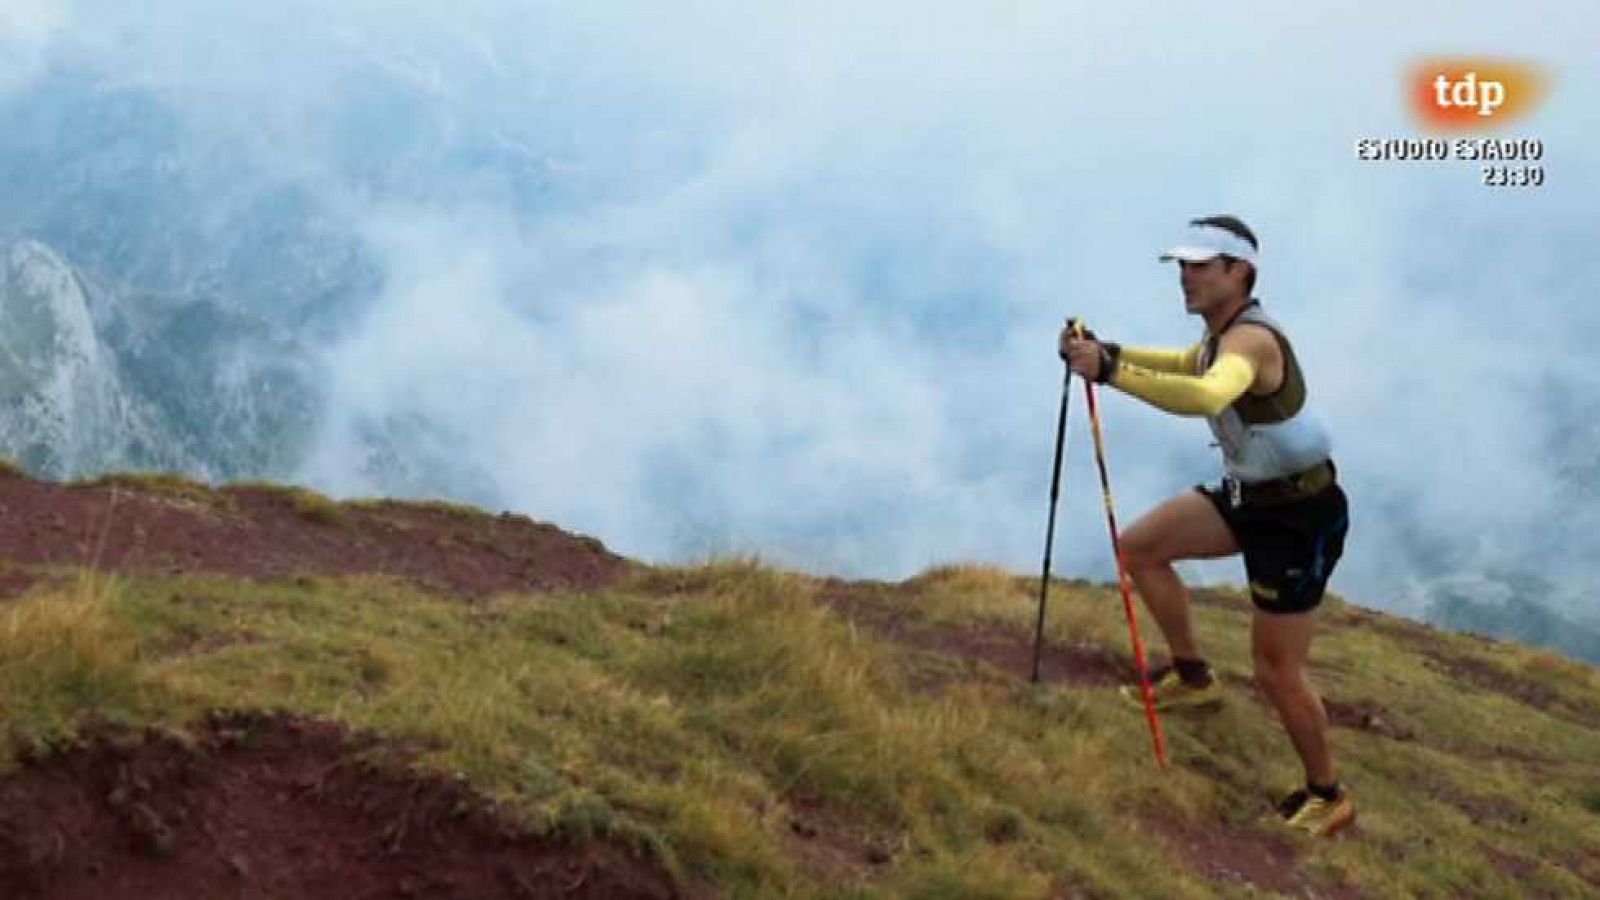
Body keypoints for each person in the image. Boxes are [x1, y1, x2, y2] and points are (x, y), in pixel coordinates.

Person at [1057, 215, 1354, 838]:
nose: (1185, 277)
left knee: (1276, 671)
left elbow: (1206, 395)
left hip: (1297, 518)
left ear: (1239, 272)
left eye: (1199, 266)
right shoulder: (1221, 336)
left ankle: (1329, 795)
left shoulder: (1251, 342)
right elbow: (1187, 364)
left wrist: (1109, 372)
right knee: (1140, 549)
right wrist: (1111, 352)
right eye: (1182, 266)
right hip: (1251, 498)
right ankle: (1194, 679)